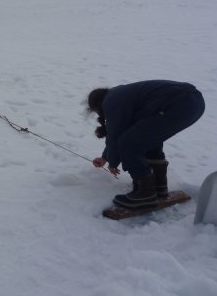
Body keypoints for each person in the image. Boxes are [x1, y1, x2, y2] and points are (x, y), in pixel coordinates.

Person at [86, 80, 205, 208]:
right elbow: (118, 133)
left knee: (129, 143)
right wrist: (105, 157)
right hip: (193, 101)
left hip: (179, 103)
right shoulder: (118, 96)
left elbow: (115, 135)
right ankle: (159, 188)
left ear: (98, 104)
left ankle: (145, 193)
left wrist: (113, 162)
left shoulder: (111, 101)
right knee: (145, 140)